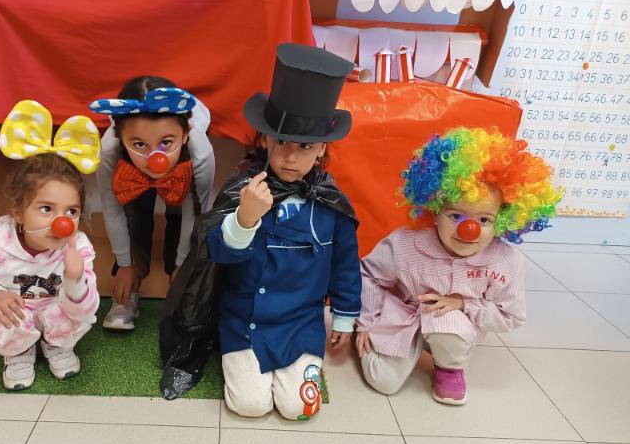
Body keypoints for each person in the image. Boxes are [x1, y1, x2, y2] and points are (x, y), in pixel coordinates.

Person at [198, 43, 362, 419]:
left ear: (322, 150)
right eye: (282, 142)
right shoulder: (246, 188)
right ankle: (247, 368)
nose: (290, 157)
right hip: (244, 320)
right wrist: (245, 219)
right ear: (264, 140)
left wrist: (343, 317)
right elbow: (217, 254)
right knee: (250, 405)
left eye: (305, 146)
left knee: (299, 408)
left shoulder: (331, 203)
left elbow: (345, 265)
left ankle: (288, 370)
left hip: (301, 323)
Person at [356, 127, 563, 404]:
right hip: (402, 316)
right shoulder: (405, 244)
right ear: (434, 210)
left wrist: (464, 304)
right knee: (383, 382)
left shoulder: (506, 261)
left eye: (484, 220)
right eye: (455, 215)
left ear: (503, 219)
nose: (469, 230)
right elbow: (369, 275)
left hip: (454, 324)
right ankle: (382, 344)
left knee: (448, 327)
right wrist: (365, 322)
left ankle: (449, 368)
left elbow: (511, 316)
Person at [0, 100, 101, 390]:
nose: (62, 222)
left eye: (71, 211)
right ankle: (18, 352)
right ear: (18, 211)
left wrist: (75, 279)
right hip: (18, 310)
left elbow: (85, 312)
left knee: (72, 313)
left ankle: (57, 345)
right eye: (46, 208)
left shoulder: (77, 247)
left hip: (55, 309)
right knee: (7, 313)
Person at [89, 77, 214, 330]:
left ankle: (177, 286)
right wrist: (125, 265)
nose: (155, 158)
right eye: (139, 144)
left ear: (185, 134)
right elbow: (113, 212)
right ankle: (129, 290)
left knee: (179, 211)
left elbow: (197, 214)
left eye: (166, 143)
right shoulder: (109, 152)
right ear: (121, 138)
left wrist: (181, 264)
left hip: (185, 163)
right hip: (130, 169)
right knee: (135, 209)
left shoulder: (201, 154)